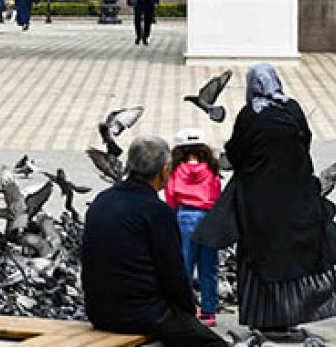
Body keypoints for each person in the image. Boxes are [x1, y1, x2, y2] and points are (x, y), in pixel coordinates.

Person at [226, 64, 336, 335]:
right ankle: (292, 315)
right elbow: (306, 142)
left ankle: (264, 318)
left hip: (260, 201)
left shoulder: (250, 116)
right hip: (296, 196)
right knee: (292, 255)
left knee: (260, 254)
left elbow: (235, 152)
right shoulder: (293, 109)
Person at [82, 136, 227, 346]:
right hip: (141, 314)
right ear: (165, 171)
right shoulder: (158, 211)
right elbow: (174, 274)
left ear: (129, 166)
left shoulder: (102, 200)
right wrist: (188, 315)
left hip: (98, 311)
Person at [164, 129, 223, 327]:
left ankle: (184, 309)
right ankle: (208, 312)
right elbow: (217, 195)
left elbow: (170, 196)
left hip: (184, 218)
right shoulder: (211, 169)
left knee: (184, 267)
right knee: (209, 268)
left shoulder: (176, 170)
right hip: (208, 219)